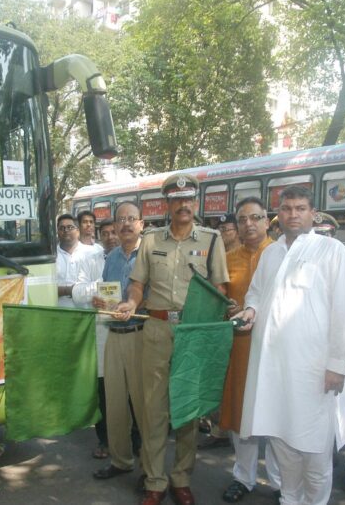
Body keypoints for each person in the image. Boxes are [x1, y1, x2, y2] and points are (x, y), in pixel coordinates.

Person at [233, 185, 345, 505]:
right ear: (279, 213)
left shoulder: (331, 251)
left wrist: (336, 364)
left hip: (314, 371)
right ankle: (290, 499)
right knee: (282, 444)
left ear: (312, 213)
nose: (293, 214)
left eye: (300, 208)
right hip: (273, 369)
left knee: (314, 454)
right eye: (287, 208)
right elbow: (257, 293)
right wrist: (251, 310)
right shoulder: (271, 252)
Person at [115, 173, 229, 505]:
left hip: (192, 333)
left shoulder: (211, 240)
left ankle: (181, 478)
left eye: (189, 199)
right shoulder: (150, 240)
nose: (183, 205)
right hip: (156, 328)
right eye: (177, 200)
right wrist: (131, 302)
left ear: (196, 202)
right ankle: (155, 480)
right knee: (154, 409)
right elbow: (138, 284)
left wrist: (210, 326)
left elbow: (219, 290)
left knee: (187, 408)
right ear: (167, 204)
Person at [218, 197, 274, 503]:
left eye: (255, 217)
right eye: (243, 219)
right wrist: (227, 308)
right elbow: (220, 298)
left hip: (275, 349)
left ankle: (281, 481)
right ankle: (243, 476)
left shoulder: (282, 254)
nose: (249, 224)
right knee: (240, 413)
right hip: (240, 346)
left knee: (276, 413)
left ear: (267, 221)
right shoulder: (229, 258)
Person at [92, 201, 145, 481]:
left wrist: (136, 304)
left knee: (144, 406)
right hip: (113, 335)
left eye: (131, 218)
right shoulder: (111, 257)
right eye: (121, 219)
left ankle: (150, 470)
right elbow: (107, 294)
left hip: (141, 337)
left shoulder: (150, 253)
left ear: (141, 224)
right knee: (114, 404)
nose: (126, 224)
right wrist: (99, 301)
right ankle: (121, 460)